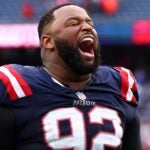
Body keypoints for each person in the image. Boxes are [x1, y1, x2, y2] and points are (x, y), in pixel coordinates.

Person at [0, 3, 142, 150]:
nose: (88, 27)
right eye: (73, 23)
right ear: (48, 41)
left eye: (90, 24)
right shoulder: (17, 86)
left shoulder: (119, 84)